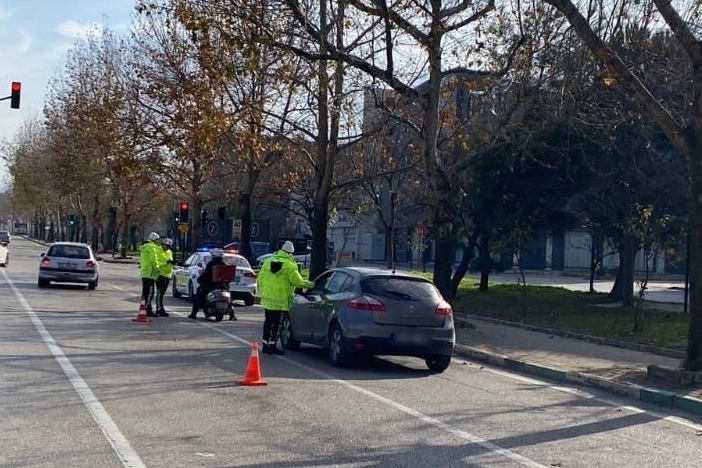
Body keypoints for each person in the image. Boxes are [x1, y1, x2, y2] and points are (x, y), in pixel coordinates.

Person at [257, 240, 314, 355]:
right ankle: (272, 346)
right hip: (280, 301)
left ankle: (265, 345)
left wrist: (263, 292)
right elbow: (298, 282)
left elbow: (260, 279)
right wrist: (310, 284)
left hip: (268, 299)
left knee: (268, 323)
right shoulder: (289, 266)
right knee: (277, 325)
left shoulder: (268, 262)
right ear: (290, 253)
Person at [188, 248, 226, 319]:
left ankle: (193, 314)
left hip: (210, 286)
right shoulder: (224, 264)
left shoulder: (211, 264)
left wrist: (201, 279)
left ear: (214, 255)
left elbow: (206, 274)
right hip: (222, 286)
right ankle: (232, 315)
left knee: (199, 296)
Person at [139, 232, 161, 317]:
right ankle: (147, 310)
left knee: (145, 292)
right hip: (150, 273)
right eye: (157, 240)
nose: (158, 242)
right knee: (150, 292)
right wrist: (158, 269)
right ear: (154, 240)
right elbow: (153, 260)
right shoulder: (151, 247)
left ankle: (144, 308)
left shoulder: (144, 247)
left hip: (145, 272)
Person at [155, 238, 175, 317]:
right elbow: (156, 262)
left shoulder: (169, 252)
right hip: (160, 275)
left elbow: (170, 262)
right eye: (166, 246)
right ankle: (159, 309)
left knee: (162, 293)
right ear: (163, 244)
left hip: (167, 275)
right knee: (160, 293)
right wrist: (166, 263)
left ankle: (159, 309)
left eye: (169, 246)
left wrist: (172, 263)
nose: (167, 248)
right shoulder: (157, 250)